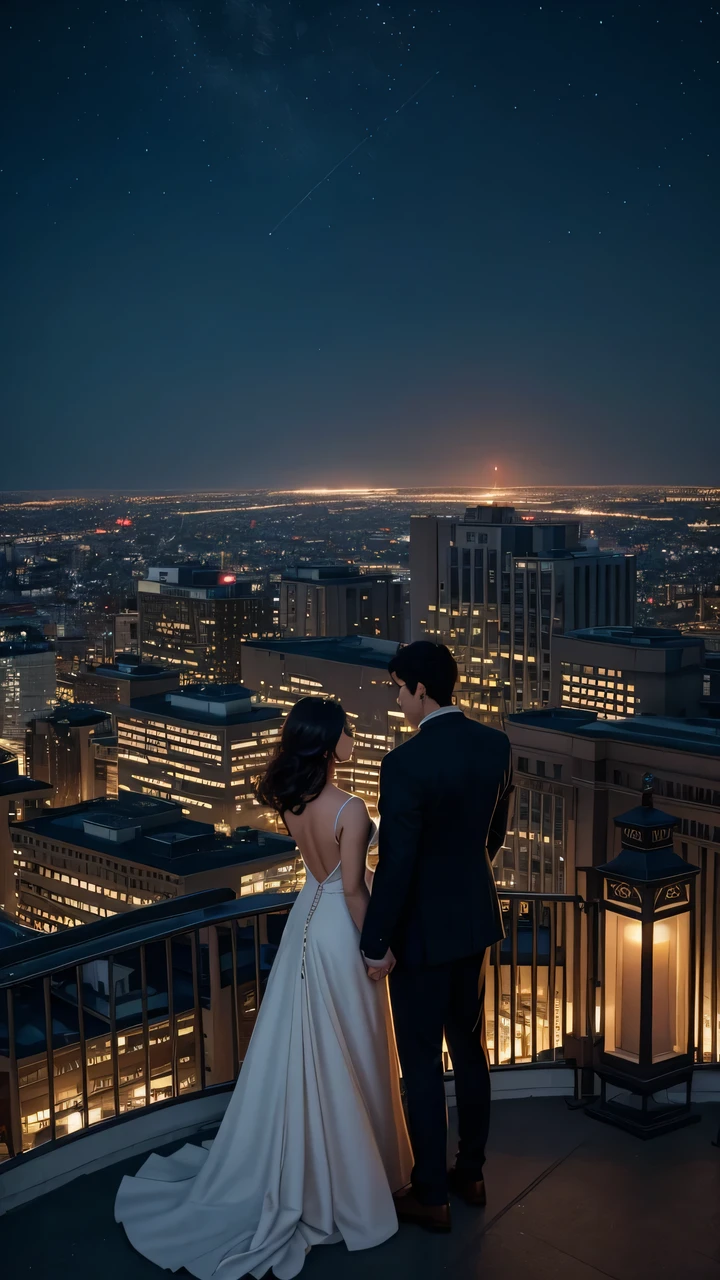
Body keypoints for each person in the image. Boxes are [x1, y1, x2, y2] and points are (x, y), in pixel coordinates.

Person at [115, 697, 412, 1280]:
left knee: (306, 1046)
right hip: (337, 930)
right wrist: (379, 948)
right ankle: (358, 1177)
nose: (354, 738)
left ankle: (309, 1164)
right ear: (330, 744)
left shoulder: (295, 801)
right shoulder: (350, 808)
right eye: (348, 732)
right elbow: (354, 892)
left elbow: (322, 877)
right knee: (353, 1043)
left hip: (304, 919)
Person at [361, 641, 513, 1233]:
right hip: (474, 920)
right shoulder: (496, 745)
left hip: (422, 934)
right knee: (470, 1049)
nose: (397, 698)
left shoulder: (405, 763)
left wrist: (377, 940)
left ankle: (430, 1194)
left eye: (399, 688)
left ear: (421, 690)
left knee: (421, 1061)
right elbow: (492, 836)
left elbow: (395, 865)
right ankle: (470, 1173)